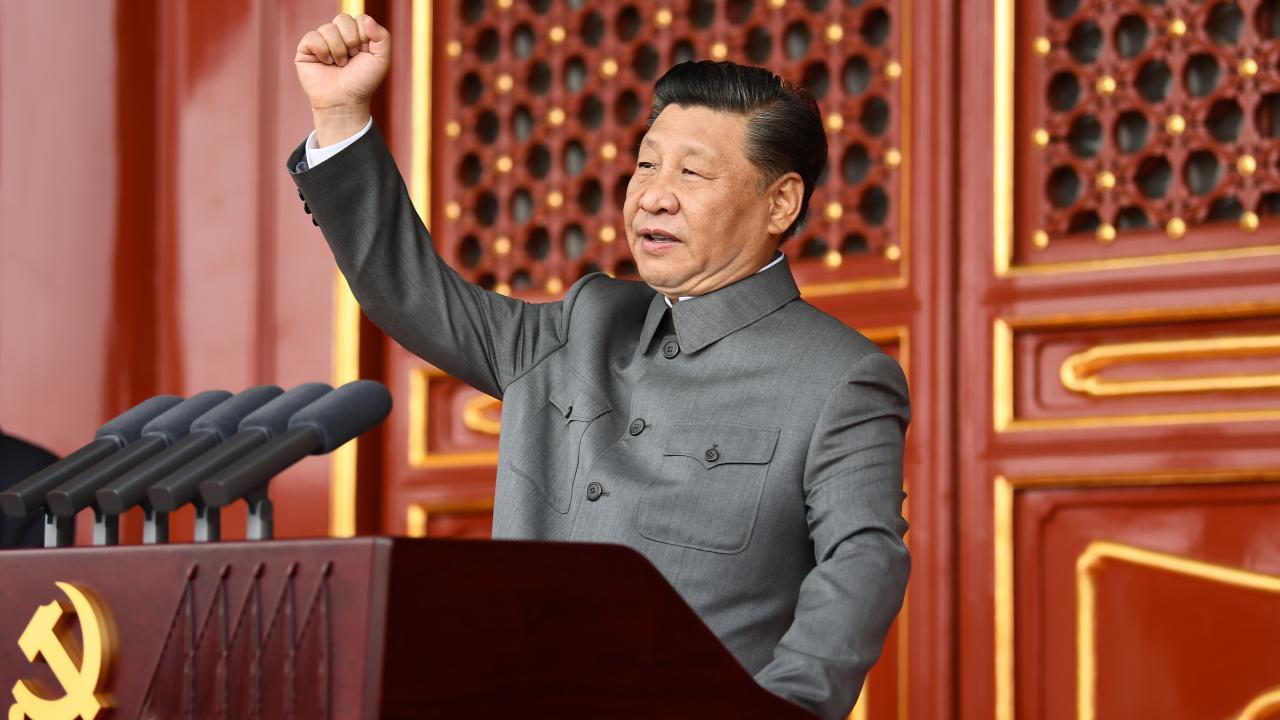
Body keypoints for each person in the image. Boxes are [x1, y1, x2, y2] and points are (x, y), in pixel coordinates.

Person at [290, 14, 910, 719]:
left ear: (780, 203)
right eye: (646, 163)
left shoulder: (840, 377)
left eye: (692, 171)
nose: (653, 194)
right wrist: (341, 114)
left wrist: (786, 707)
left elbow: (863, 560)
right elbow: (407, 290)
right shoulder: (583, 322)